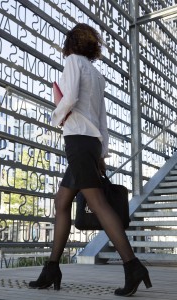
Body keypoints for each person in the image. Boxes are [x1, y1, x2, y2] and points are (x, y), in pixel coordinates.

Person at [29, 23, 152, 296]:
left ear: (71, 44)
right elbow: (103, 121)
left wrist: (56, 116)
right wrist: (101, 152)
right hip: (91, 143)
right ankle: (52, 268)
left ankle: (133, 265)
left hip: (78, 141)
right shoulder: (96, 74)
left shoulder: (73, 62)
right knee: (62, 201)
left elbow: (69, 97)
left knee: (96, 202)